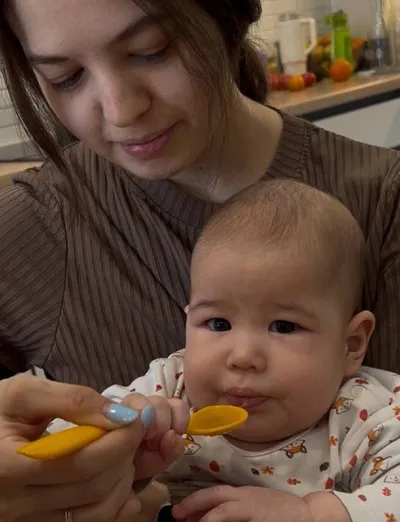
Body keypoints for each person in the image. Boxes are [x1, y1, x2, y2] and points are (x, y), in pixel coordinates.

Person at [1, 0, 400, 520]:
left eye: (152, 50)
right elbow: (55, 432)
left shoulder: (383, 206)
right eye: (66, 77)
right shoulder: (171, 383)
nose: (121, 111)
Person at [49, 179, 400, 522]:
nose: (242, 357)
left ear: (351, 345)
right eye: (218, 324)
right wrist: (115, 442)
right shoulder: (171, 387)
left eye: (283, 326)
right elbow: (56, 446)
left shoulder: (366, 415)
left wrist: (313, 514)